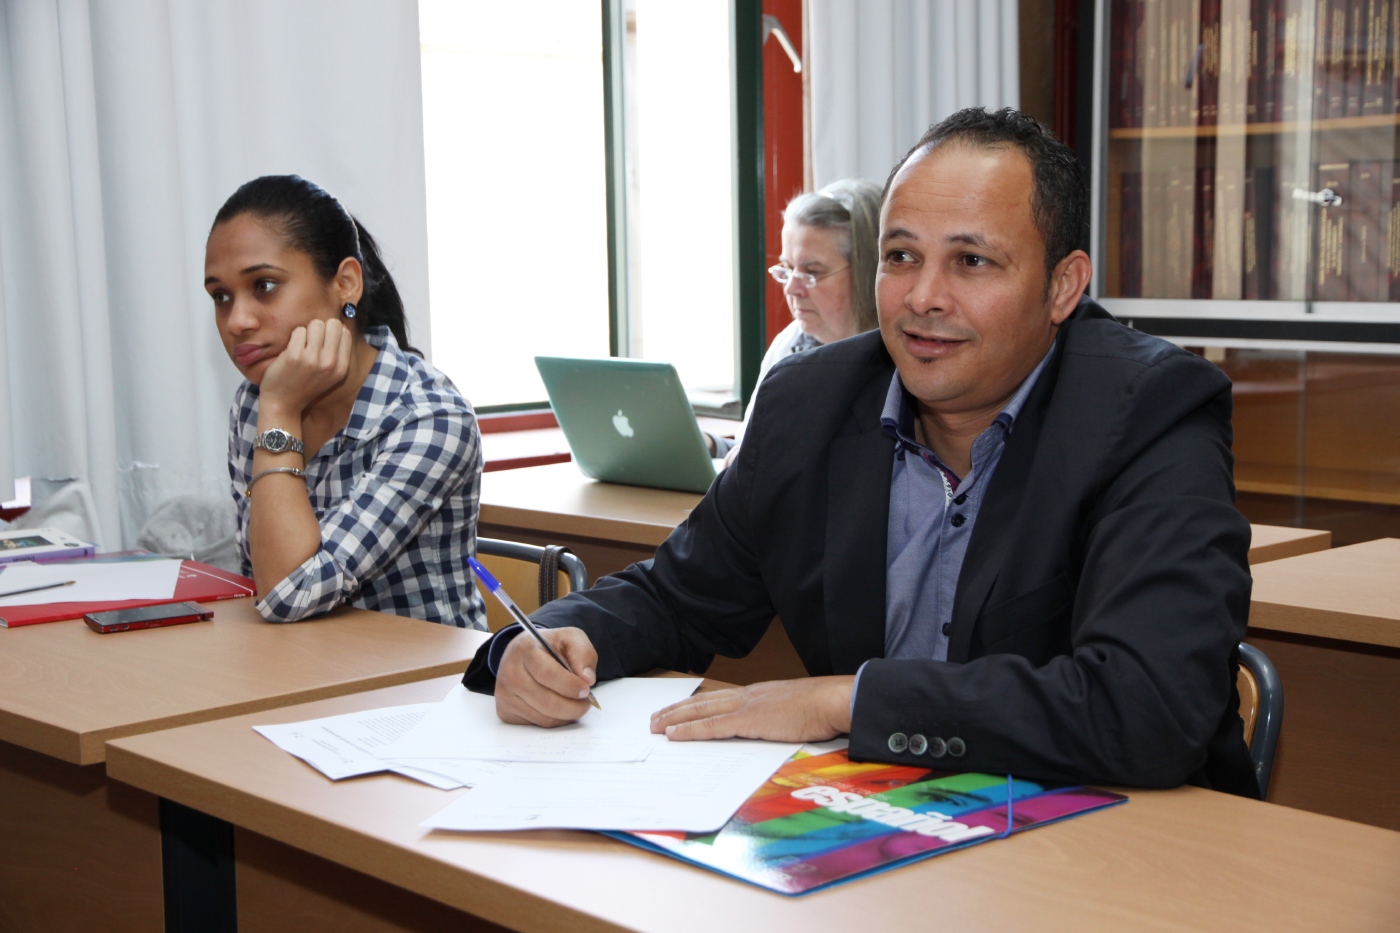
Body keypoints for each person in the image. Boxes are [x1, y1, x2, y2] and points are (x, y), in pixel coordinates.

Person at [465, 109, 1258, 797]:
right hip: (885, 819)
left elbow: (1145, 706)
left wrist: (842, 701)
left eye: (971, 261)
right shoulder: (810, 402)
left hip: (1114, 844)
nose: (923, 297)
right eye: (901, 257)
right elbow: (678, 595)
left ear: (1062, 286)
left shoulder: (1150, 413)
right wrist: (555, 640)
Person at [206, 174, 487, 629]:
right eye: (221, 296)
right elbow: (260, 578)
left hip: (425, 671)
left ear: (346, 284)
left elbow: (287, 594)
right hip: (299, 659)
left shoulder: (431, 418)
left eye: (264, 285)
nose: (236, 321)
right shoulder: (254, 402)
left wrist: (280, 410)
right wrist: (275, 405)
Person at [707, 179, 880, 459]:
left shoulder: (900, 369)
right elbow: (750, 449)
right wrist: (711, 446)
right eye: (787, 269)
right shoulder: (788, 345)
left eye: (812, 272)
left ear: (867, 272)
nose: (791, 289)